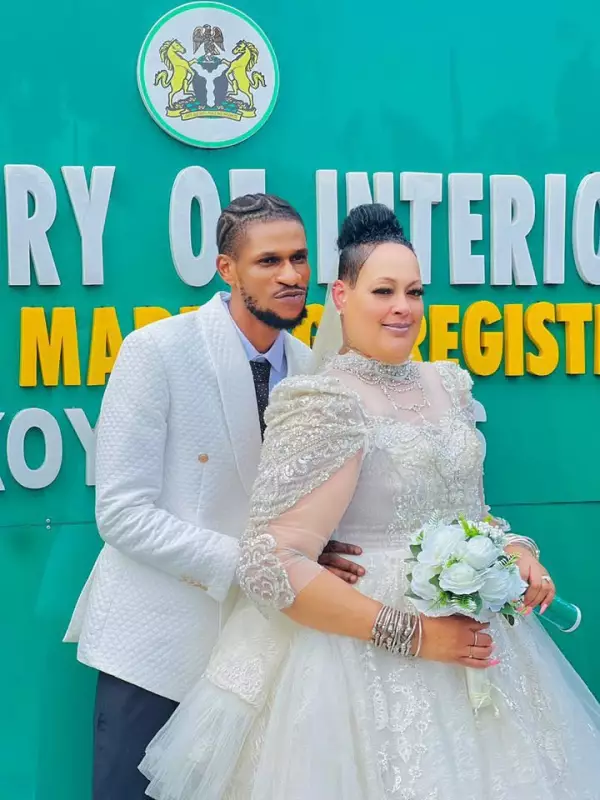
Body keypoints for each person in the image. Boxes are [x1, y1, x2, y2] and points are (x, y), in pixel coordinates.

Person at [139, 203, 600, 800]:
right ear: (341, 294)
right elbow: (269, 560)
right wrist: (415, 635)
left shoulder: (448, 382)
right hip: (358, 660)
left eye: (414, 291)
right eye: (383, 291)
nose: (402, 307)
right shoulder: (324, 400)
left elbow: (466, 510)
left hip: (483, 644)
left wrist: (512, 549)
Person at [62, 194, 363, 799]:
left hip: (262, 655)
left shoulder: (314, 369)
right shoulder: (157, 350)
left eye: (300, 258)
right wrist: (256, 566)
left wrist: (310, 551)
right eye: (269, 261)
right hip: (156, 646)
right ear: (227, 269)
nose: (291, 275)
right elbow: (121, 513)